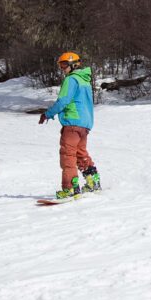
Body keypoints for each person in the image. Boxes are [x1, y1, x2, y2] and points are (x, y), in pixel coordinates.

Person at [39, 52, 101, 199]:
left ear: (74, 64)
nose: (62, 68)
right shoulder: (84, 80)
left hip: (72, 122)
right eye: (60, 65)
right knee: (80, 153)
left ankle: (70, 189)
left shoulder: (71, 80)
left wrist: (47, 114)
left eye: (64, 64)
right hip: (85, 124)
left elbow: (63, 101)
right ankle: (93, 182)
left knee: (68, 156)